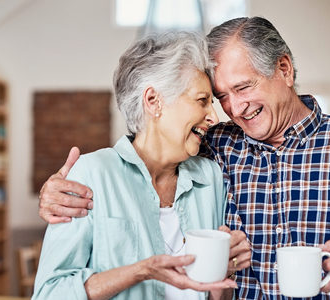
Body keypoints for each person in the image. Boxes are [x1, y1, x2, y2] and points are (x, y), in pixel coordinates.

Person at [38, 17, 330, 299]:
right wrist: (59, 190)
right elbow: (151, 147)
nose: (232, 108)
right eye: (219, 97)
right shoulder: (216, 147)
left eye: (244, 87)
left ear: (284, 69)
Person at [32, 31, 252, 300]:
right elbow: (49, 293)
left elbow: (217, 294)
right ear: (153, 101)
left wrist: (225, 271)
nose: (213, 116)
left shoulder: (210, 178)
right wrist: (142, 271)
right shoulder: (92, 174)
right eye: (202, 100)